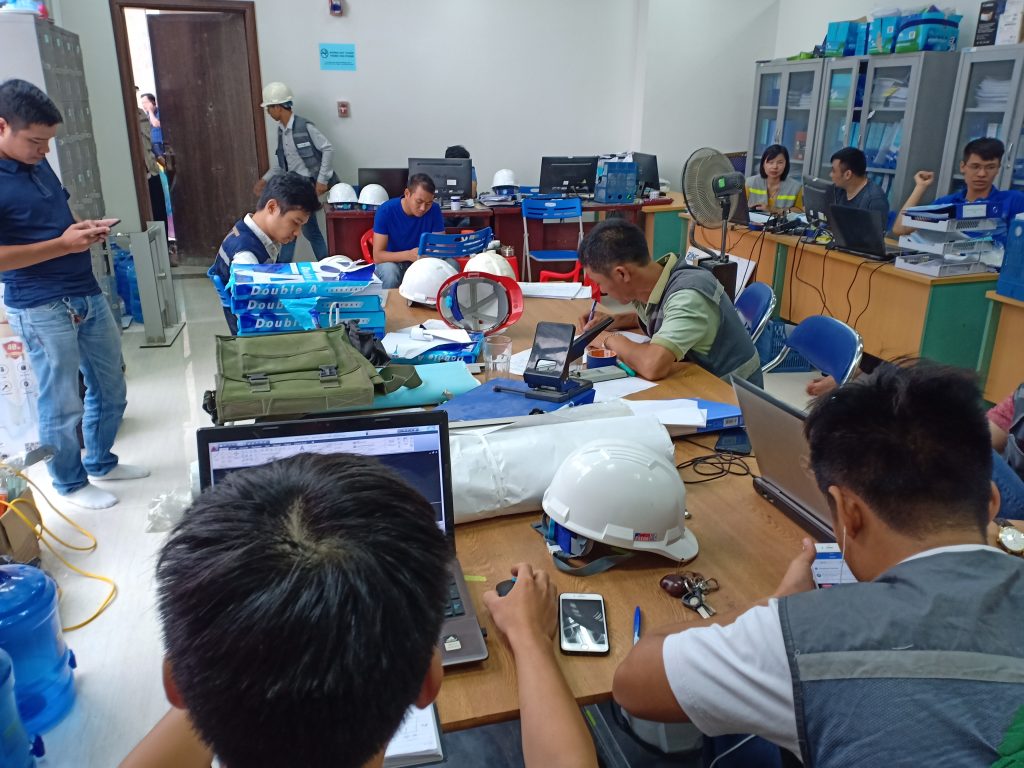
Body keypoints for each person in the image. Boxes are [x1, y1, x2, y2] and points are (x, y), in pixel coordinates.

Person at [613, 362, 1024, 767]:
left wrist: (776, 605)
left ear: (849, 512)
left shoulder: (805, 636)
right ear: (991, 503)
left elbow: (633, 682)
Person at [119, 452, 598, 768]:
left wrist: (222, 665)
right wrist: (529, 639)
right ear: (428, 679)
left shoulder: (187, 685)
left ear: (175, 685)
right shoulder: (428, 675)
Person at [0, 79, 147, 510]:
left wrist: (83, 229)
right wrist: (62, 245)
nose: (44, 149)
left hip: (84, 291)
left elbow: (62, 214)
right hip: (40, 304)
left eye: (48, 141)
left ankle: (101, 461)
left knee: (110, 385)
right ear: (2, 126)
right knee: (62, 402)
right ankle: (69, 482)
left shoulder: (36, 162)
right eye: (35, 141)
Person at [576, 219, 762, 384]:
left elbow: (652, 366)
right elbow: (662, 319)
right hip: (698, 378)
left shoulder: (688, 296)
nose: (601, 290)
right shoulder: (655, 281)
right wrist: (613, 321)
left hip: (731, 394)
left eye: (599, 282)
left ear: (622, 274)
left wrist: (606, 339)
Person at [208, 171, 321, 335]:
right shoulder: (246, 256)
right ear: (272, 207)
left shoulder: (247, 231)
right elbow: (254, 312)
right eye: (295, 222)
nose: (298, 233)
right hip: (258, 337)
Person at [892, 137, 1024, 250]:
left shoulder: (1013, 200)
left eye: (990, 167)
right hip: (948, 267)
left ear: (998, 169)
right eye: (975, 166)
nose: (982, 174)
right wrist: (920, 187)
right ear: (963, 167)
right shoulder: (947, 203)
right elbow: (900, 229)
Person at [253, 82, 334, 263]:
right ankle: (317, 264)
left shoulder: (305, 127)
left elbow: (328, 149)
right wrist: (265, 180)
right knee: (296, 229)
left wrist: (322, 180)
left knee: (304, 230)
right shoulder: (281, 132)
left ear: (278, 107)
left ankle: (320, 264)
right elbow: (281, 164)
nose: (268, 112)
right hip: (292, 186)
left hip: (306, 186)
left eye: (269, 108)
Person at [371, 173, 446, 289]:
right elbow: (378, 256)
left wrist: (435, 253)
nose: (423, 208)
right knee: (390, 271)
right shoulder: (386, 211)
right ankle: (389, 301)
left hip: (423, 262)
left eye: (428, 203)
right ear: (407, 194)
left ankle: (442, 300)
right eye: (419, 202)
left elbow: (440, 246)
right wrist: (408, 255)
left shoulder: (434, 209)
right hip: (394, 262)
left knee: (451, 264)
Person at [829, 146, 889, 220]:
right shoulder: (837, 190)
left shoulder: (875, 200)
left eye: (833, 171)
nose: (830, 175)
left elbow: (874, 228)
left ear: (848, 174)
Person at [746, 144, 803, 212]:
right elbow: (739, 204)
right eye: (770, 162)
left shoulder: (796, 187)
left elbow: (800, 210)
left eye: (780, 163)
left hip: (781, 219)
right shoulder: (750, 183)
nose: (775, 167)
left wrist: (777, 210)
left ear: (786, 165)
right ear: (763, 164)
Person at [140, 92, 163, 159]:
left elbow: (156, 124)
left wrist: (150, 110)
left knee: (163, 163)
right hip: (150, 145)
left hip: (159, 144)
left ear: (152, 102)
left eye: (145, 102)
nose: (143, 105)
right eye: (142, 103)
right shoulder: (146, 114)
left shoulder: (159, 112)